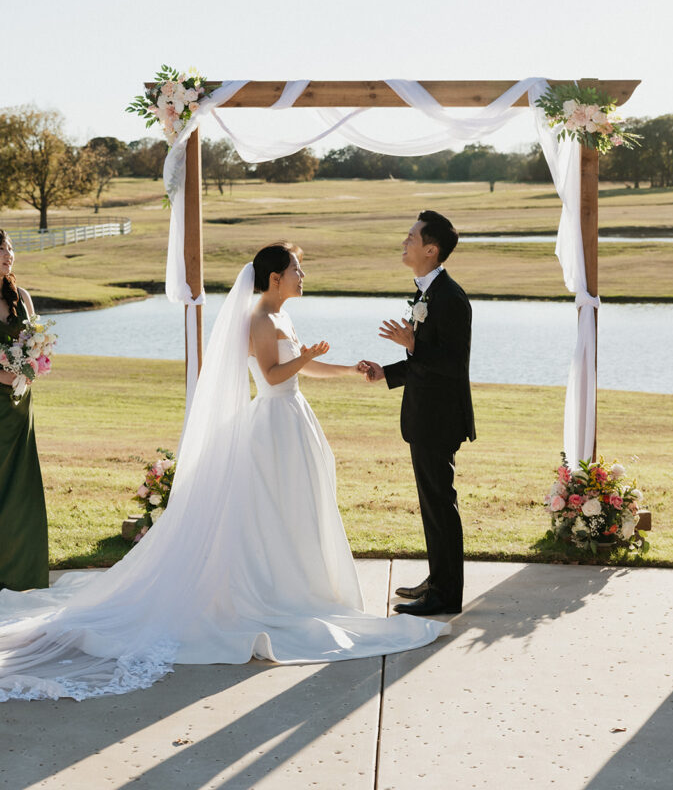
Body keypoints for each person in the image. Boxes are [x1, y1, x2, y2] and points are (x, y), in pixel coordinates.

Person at [0, 243, 445, 702]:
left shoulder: (281, 316)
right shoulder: (258, 319)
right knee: (270, 510)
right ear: (275, 278)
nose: (303, 274)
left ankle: (300, 585)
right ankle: (270, 593)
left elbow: (300, 369)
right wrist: (305, 357)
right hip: (273, 423)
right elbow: (273, 375)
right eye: (296, 268)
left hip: (294, 420)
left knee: (296, 509)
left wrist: (349, 368)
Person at [361, 211, 475, 617]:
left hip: (439, 419)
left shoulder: (450, 297)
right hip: (425, 417)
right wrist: (386, 372)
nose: (404, 242)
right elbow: (426, 359)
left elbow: (451, 364)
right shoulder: (428, 293)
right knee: (432, 504)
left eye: (411, 237)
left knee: (441, 503)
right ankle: (439, 579)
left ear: (431, 249)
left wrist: (412, 344)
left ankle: (447, 594)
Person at [0, 230, 49, 592]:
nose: (8, 255)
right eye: (1, 249)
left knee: (21, 487)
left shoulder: (23, 296)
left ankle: (21, 573)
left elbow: (37, 345)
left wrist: (33, 369)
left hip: (20, 405)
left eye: (11, 248)